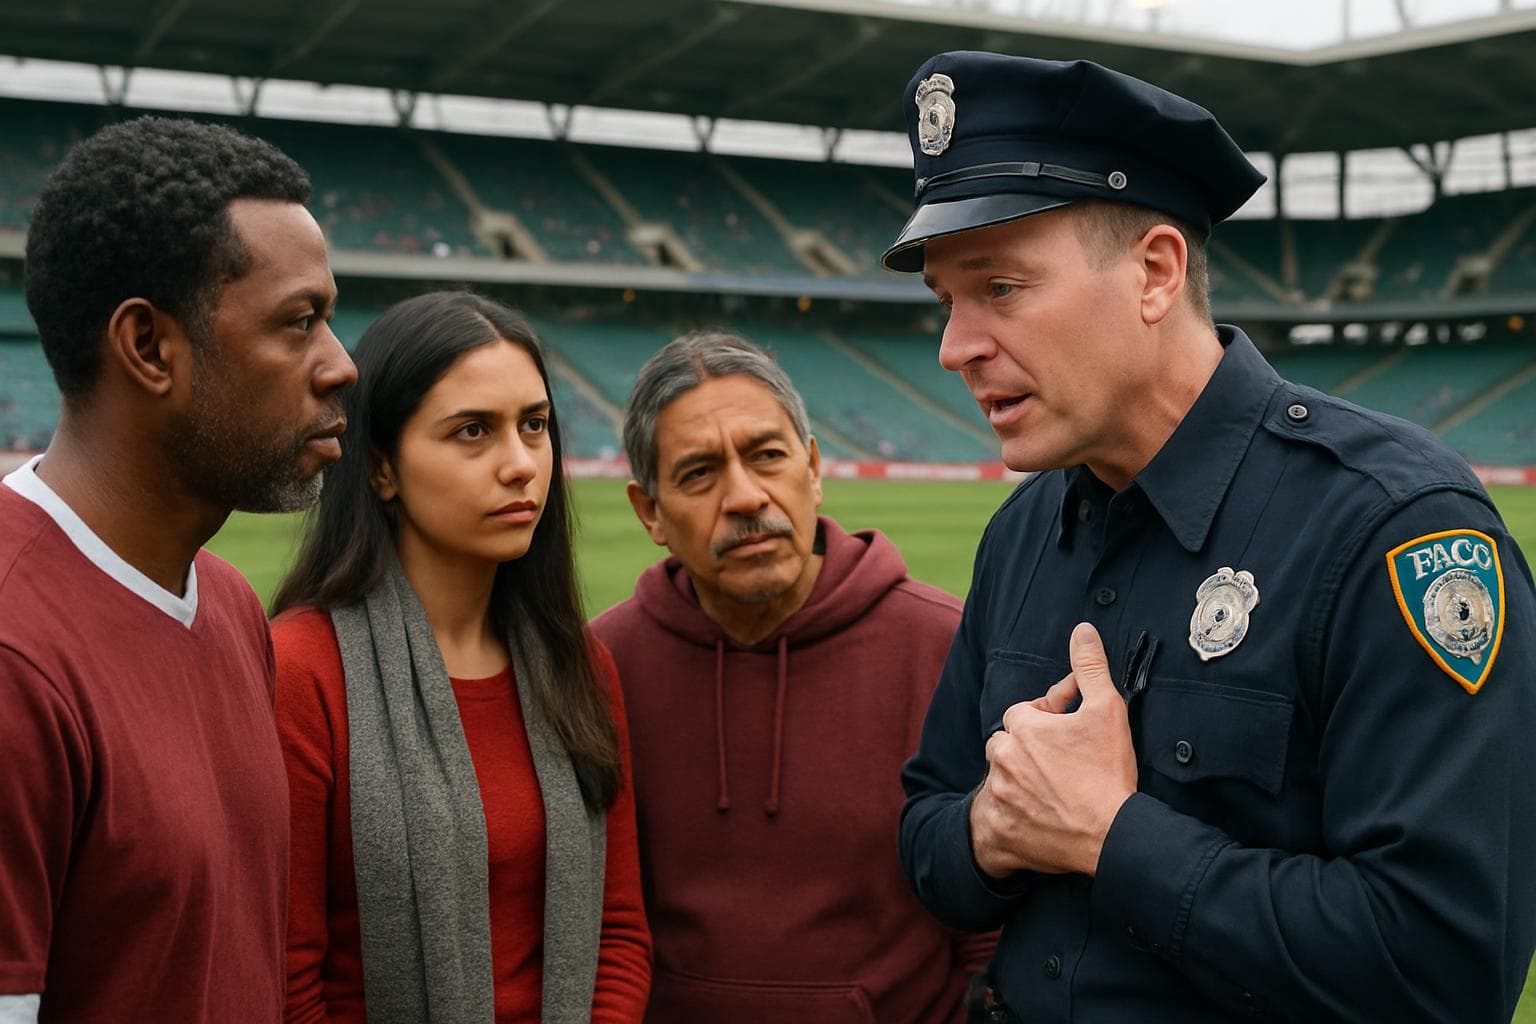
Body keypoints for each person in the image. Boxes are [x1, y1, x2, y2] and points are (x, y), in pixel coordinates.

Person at [888, 51, 1536, 1023]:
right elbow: (928, 829)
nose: (955, 347)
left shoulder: (1393, 532)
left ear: (1155, 271)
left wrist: (1111, 836)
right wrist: (993, 823)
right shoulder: (1021, 533)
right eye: (948, 302)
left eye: (1002, 288)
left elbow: (1442, 966)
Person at [0, 117, 356, 1023]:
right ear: (150, 348)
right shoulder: (15, 657)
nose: (341, 365)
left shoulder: (232, 604)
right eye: (298, 322)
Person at [268, 290, 650, 1024]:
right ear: (381, 467)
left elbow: (621, 933)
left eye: (534, 426)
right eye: (473, 431)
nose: (520, 465)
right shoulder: (302, 674)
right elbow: (286, 977)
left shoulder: (580, 667)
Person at [591, 331, 993, 1024]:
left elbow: (991, 912)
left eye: (767, 456)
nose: (745, 497)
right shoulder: (600, 666)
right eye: (698, 473)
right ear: (649, 511)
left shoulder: (947, 645)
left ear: (811, 467)